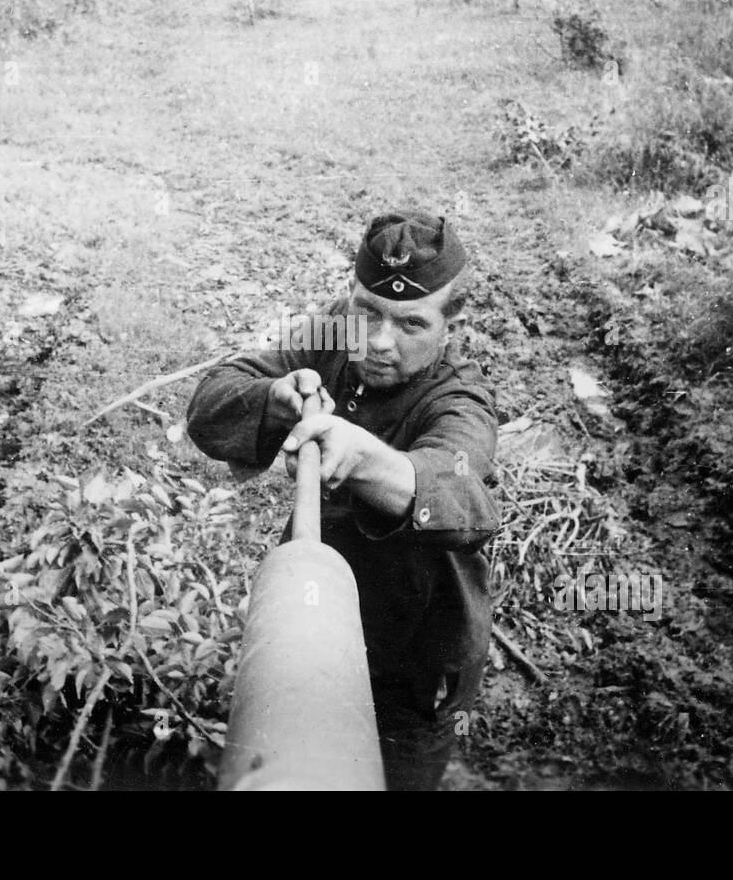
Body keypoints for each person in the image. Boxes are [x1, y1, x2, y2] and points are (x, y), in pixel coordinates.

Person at [186, 210, 502, 790]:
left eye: (411, 325)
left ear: (451, 325)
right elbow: (211, 404)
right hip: (312, 620)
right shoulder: (335, 331)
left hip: (412, 665)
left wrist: (366, 459)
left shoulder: (457, 400)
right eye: (368, 312)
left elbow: (462, 492)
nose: (378, 342)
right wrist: (273, 396)